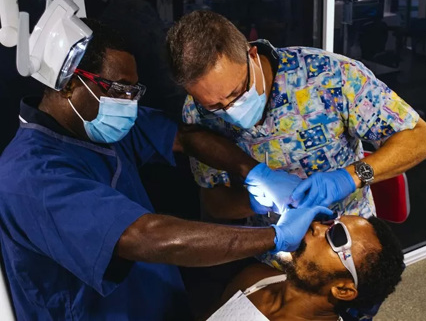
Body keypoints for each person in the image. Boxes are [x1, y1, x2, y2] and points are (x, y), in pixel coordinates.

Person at [0, 18, 332, 320]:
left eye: (134, 91)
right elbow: (143, 235)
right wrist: (274, 236)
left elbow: (187, 139)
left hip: (154, 302)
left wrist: (255, 172)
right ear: (69, 84)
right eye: (119, 90)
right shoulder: (31, 178)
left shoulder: (90, 129)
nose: (129, 102)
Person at [165, 10, 426, 222]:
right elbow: (214, 202)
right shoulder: (196, 113)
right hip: (270, 251)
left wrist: (352, 176)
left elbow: (422, 139)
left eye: (237, 92)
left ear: (251, 55)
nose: (230, 109)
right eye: (215, 105)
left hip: (350, 240)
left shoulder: (331, 76)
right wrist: (257, 202)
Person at [206, 215, 405, 321]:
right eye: (330, 222)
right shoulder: (255, 278)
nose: (316, 226)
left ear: (343, 290)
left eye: (337, 237)